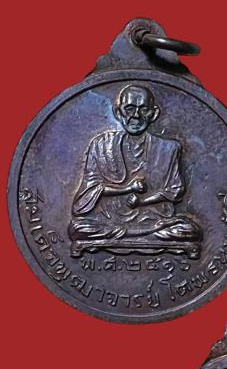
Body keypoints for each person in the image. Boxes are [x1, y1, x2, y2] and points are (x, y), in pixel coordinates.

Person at [68, 84, 201, 255]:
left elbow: (175, 191)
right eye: (130, 109)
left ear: (153, 114)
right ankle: (139, 236)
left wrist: (142, 201)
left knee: (188, 230)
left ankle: (128, 236)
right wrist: (126, 189)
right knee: (77, 228)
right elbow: (88, 194)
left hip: (153, 220)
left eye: (143, 109)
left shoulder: (168, 148)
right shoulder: (101, 145)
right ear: (118, 113)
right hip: (109, 220)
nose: (136, 116)